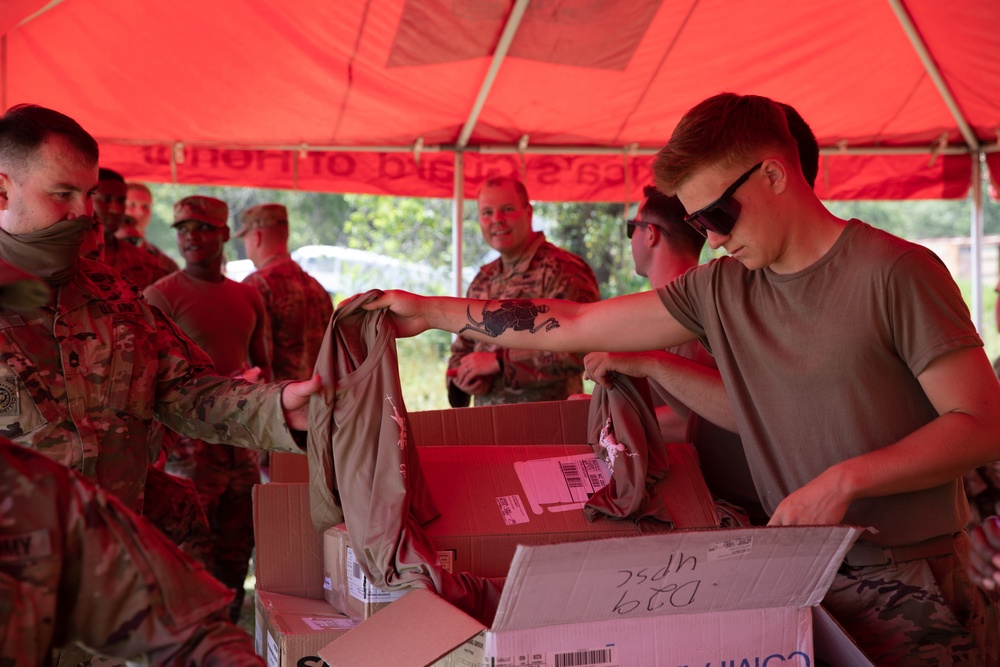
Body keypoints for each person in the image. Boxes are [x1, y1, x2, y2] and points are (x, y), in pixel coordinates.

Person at [368, 93, 1000, 665]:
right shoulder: (725, 287)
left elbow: (980, 424)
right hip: (803, 574)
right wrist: (430, 313)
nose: (715, 240)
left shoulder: (896, 272)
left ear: (775, 173)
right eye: (699, 225)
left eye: (721, 215)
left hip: (908, 574)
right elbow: (578, 322)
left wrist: (845, 480)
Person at [0, 104, 317, 517]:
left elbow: (186, 391)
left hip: (116, 563)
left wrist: (280, 407)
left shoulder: (112, 295)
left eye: (90, 194)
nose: (85, 214)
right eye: (63, 194)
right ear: (3, 190)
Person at [145, 194, 273, 622]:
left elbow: (263, 366)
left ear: (223, 233)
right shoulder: (160, 297)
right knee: (188, 556)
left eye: (201, 227)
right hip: (189, 451)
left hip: (242, 447)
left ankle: (227, 636)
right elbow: (147, 382)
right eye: (182, 228)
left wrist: (253, 384)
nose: (190, 236)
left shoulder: (248, 296)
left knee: (237, 554)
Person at [447, 176, 601, 406]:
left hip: (547, 427)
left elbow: (580, 348)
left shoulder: (563, 270)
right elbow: (462, 347)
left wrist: (500, 363)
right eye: (487, 213)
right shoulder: (482, 280)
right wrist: (463, 378)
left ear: (528, 212)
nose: (496, 220)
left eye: (507, 209)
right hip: (487, 428)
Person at [235, 203, 333, 382]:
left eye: (244, 239)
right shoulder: (316, 288)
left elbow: (253, 365)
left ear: (256, 237)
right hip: (319, 403)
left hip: (277, 404)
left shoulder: (255, 286)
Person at [95, 168, 174, 289]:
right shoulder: (64, 257)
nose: (115, 209)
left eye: (121, 201)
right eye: (106, 200)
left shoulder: (144, 262)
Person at [124, 180, 180, 273]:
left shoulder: (164, 263)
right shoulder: (102, 252)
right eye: (132, 205)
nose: (140, 212)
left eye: (145, 206)